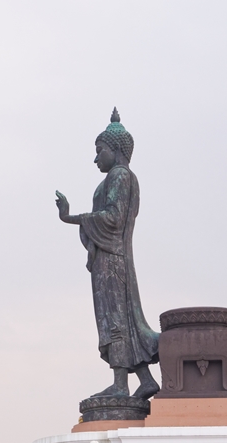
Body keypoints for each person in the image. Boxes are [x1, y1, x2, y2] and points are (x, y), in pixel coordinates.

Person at [55, 108, 160, 399]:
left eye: (99, 150)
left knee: (115, 318)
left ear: (115, 149)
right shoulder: (111, 180)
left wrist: (71, 217)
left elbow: (113, 219)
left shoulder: (120, 177)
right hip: (107, 258)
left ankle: (120, 384)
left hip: (113, 258)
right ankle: (144, 380)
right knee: (119, 316)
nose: (96, 158)